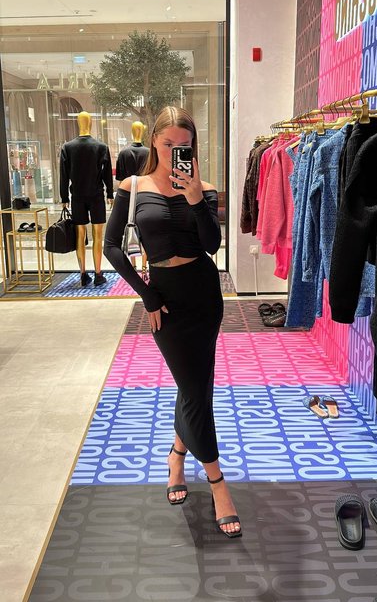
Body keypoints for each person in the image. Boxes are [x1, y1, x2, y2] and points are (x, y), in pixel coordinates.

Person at [104, 106, 241, 538]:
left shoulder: (206, 188)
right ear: (154, 142)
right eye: (168, 144)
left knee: (195, 387)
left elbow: (212, 245)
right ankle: (217, 482)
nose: (176, 152)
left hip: (204, 294)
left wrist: (197, 198)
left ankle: (177, 457)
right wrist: (146, 294)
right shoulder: (133, 186)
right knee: (195, 388)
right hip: (164, 299)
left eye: (185, 145)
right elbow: (111, 247)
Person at [60, 111, 114, 287]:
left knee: (80, 234)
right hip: (96, 195)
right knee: (98, 235)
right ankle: (98, 273)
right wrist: (110, 193)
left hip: (77, 196)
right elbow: (107, 173)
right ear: (90, 123)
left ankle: (83, 274)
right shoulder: (101, 147)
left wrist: (64, 197)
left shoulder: (68, 147)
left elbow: (63, 175)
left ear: (78, 123)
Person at [116, 120, 150, 273]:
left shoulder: (123, 153)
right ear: (142, 131)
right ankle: (144, 267)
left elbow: (120, 180)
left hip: (128, 197)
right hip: (145, 195)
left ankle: (134, 265)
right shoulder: (149, 153)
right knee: (146, 232)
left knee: (130, 230)